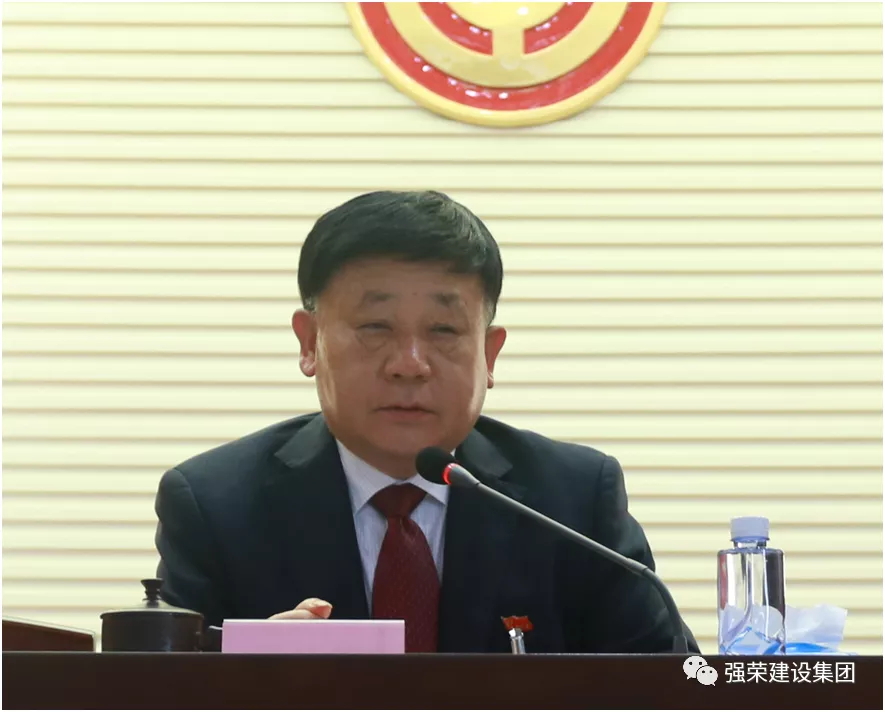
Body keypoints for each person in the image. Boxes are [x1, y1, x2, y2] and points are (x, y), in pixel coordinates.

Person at [154, 190, 698, 654]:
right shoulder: (215, 506)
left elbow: (680, 688)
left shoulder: (571, 501)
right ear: (309, 343)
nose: (409, 364)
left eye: (443, 331)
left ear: (490, 354)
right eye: (375, 327)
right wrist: (238, 682)